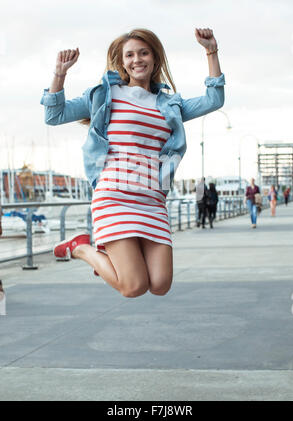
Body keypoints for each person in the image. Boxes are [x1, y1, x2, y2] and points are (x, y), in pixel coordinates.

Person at [40, 28, 225, 298]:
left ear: (154, 58)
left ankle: (101, 256)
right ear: (122, 61)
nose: (137, 59)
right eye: (130, 55)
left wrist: (211, 51)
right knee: (134, 287)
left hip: (152, 199)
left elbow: (214, 99)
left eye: (143, 52)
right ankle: (80, 248)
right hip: (114, 196)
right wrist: (60, 73)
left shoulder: (169, 104)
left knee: (160, 284)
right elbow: (53, 115)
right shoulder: (106, 95)